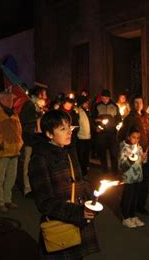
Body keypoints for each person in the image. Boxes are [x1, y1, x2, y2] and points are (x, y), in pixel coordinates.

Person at [29, 110, 99, 259]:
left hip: (77, 223)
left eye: (69, 127)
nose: (69, 132)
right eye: (62, 129)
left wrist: (91, 201)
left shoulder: (68, 151)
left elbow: (78, 182)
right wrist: (76, 212)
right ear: (49, 134)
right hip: (60, 224)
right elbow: (44, 202)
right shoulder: (40, 159)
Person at [0, 90, 23, 212]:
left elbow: (19, 132)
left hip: (15, 151)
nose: (10, 101)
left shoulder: (15, 115)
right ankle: (0, 202)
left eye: (11, 99)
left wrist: (20, 143)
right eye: (7, 99)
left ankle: (8, 200)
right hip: (2, 152)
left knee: (11, 178)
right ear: (1, 100)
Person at [118, 95, 149, 214]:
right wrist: (127, 148)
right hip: (134, 152)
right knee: (131, 181)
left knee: (144, 181)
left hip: (145, 152)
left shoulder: (147, 116)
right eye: (136, 102)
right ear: (133, 104)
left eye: (140, 102)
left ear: (143, 103)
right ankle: (126, 204)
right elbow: (122, 134)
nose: (139, 105)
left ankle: (140, 205)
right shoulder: (130, 118)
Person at [19, 86, 47, 197]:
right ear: (38, 95)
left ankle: (35, 186)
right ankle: (27, 189)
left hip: (38, 139)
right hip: (30, 138)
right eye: (44, 94)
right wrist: (38, 115)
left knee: (36, 164)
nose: (45, 97)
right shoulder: (29, 105)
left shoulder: (38, 106)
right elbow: (24, 119)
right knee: (28, 164)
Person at [119, 126, 147, 228]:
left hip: (138, 177)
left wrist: (143, 158)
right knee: (128, 197)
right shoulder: (125, 148)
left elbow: (142, 162)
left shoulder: (139, 148)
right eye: (134, 137)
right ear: (128, 137)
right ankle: (125, 217)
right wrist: (130, 160)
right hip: (129, 177)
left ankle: (133, 215)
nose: (136, 140)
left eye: (138, 138)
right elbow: (122, 165)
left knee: (135, 197)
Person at [92, 89, 122, 174]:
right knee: (102, 153)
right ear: (101, 97)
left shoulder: (114, 106)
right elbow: (93, 118)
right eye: (103, 98)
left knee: (114, 153)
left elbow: (118, 118)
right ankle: (104, 170)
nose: (105, 100)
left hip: (112, 133)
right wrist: (96, 123)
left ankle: (115, 171)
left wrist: (117, 126)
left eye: (106, 98)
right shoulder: (97, 106)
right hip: (101, 133)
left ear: (109, 98)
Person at [76, 96, 92, 176]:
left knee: (86, 156)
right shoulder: (78, 111)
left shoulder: (86, 111)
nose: (87, 104)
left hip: (87, 137)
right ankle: (81, 172)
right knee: (81, 157)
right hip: (81, 137)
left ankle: (84, 171)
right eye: (86, 103)